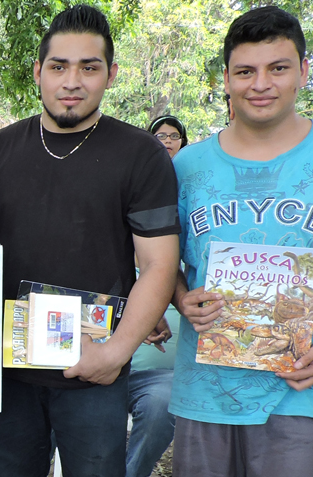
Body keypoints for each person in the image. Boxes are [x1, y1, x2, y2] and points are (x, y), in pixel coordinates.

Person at [169, 6, 313, 476]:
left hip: (301, 387)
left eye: (277, 68)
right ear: (226, 80)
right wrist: (181, 299)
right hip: (205, 390)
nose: (261, 84)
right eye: (246, 71)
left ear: (302, 71)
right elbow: (165, 265)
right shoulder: (187, 167)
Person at [0, 5, 181, 477]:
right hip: (8, 370)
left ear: (111, 75)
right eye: (59, 66)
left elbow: (160, 265)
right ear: (39, 72)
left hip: (94, 370)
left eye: (89, 67)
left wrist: (116, 352)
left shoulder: (141, 155)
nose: (72, 81)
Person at [121, 114, 189, 477]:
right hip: (105, 358)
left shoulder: (186, 222)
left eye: (172, 136)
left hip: (161, 375)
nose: (165, 141)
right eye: (158, 135)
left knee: (163, 405)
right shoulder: (113, 228)